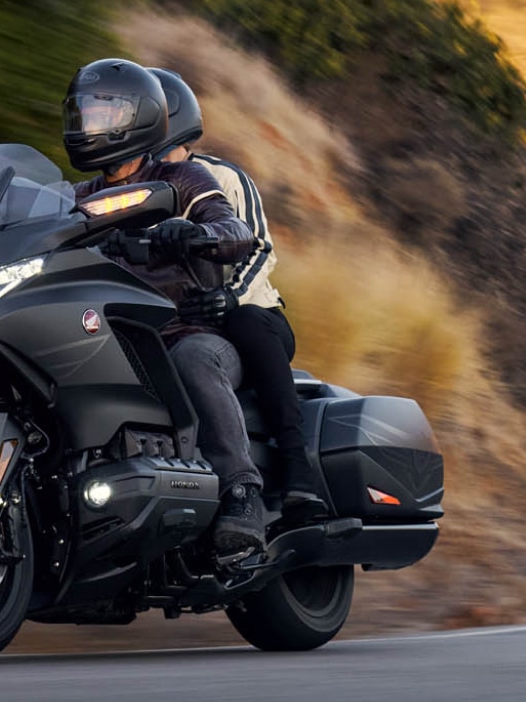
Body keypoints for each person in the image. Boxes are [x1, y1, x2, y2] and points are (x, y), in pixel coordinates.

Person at [63, 58, 265, 554]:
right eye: (82, 113)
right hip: (107, 334)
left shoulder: (181, 178)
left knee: (192, 361)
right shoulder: (73, 196)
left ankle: (242, 492)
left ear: (139, 118)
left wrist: (195, 234)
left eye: (102, 114)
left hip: (185, 332)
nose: (88, 125)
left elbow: (235, 231)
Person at [149, 67, 328, 523]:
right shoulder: (126, 189)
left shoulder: (221, 177)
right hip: (180, 322)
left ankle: (297, 467)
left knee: (245, 321)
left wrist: (229, 297)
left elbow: (258, 248)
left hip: (252, 316)